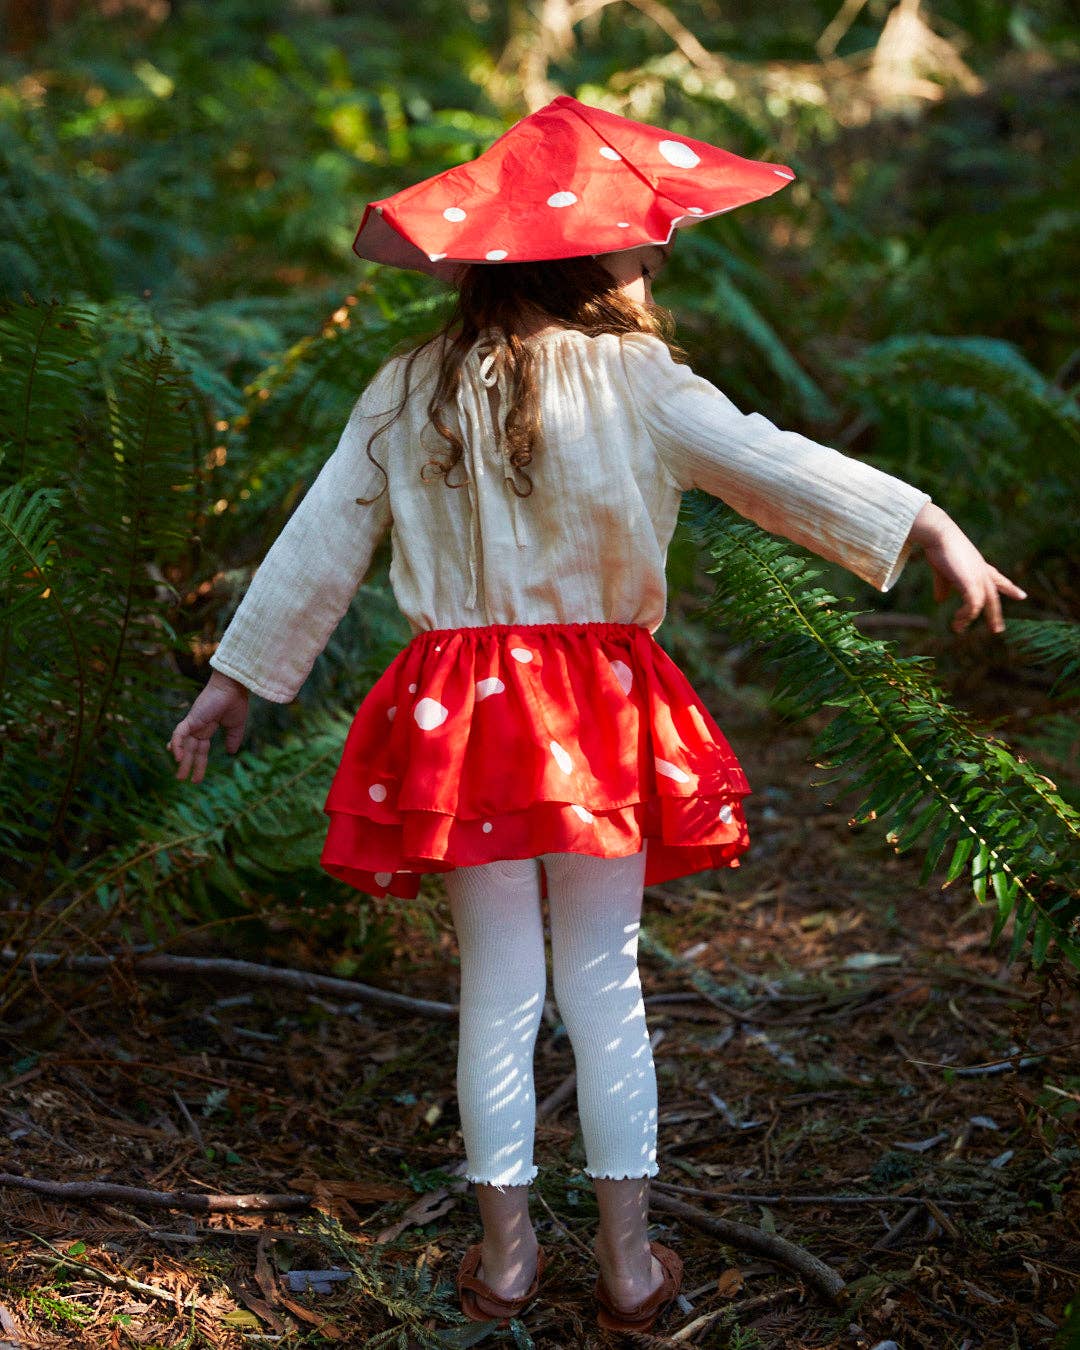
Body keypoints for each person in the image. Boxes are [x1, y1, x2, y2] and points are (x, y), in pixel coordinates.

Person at [167, 96, 1024, 1333]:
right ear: (587, 256)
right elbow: (781, 464)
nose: (651, 250)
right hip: (596, 712)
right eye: (634, 236)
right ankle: (629, 1265)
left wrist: (237, 678)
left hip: (458, 717)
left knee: (500, 983)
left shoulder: (409, 387)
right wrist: (926, 521)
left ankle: (507, 1259)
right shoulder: (642, 381)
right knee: (604, 979)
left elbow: (320, 543)